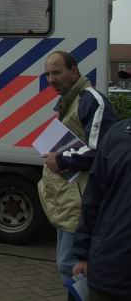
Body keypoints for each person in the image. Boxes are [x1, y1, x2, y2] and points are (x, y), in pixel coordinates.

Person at [38, 51, 118, 294]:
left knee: (71, 267)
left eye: (57, 72)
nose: (51, 79)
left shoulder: (90, 100)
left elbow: (103, 150)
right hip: (70, 200)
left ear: (74, 70)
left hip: (81, 202)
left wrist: (61, 159)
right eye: (47, 74)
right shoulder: (70, 100)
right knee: (68, 266)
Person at [72, 119, 131, 301]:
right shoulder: (118, 134)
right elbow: (93, 198)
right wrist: (83, 255)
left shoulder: (118, 134)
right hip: (110, 271)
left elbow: (92, 199)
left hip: (109, 269)